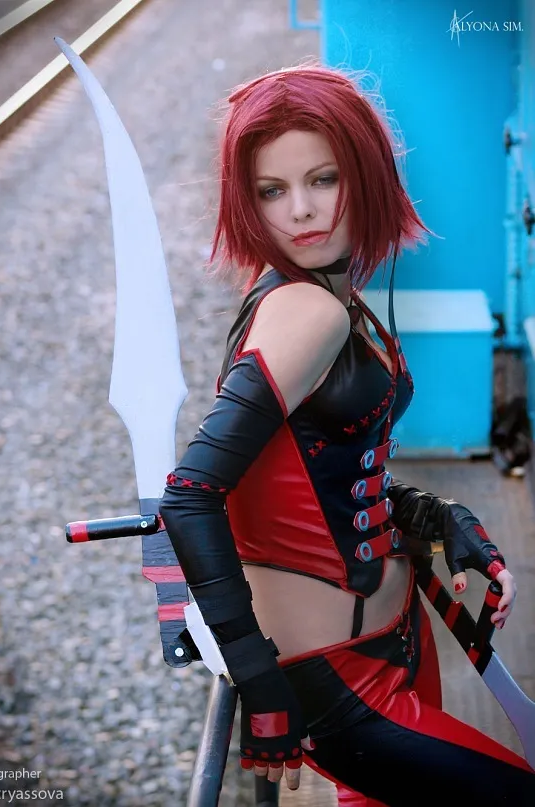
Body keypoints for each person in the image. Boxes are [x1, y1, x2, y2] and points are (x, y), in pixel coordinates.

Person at [159, 63, 535, 806]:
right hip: (342, 683)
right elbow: (190, 496)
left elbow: (318, 465)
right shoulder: (309, 310)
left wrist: (434, 515)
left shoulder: (326, 293)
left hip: (391, 634)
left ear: (363, 173)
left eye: (323, 179)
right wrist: (259, 682)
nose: (301, 211)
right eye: (271, 190)